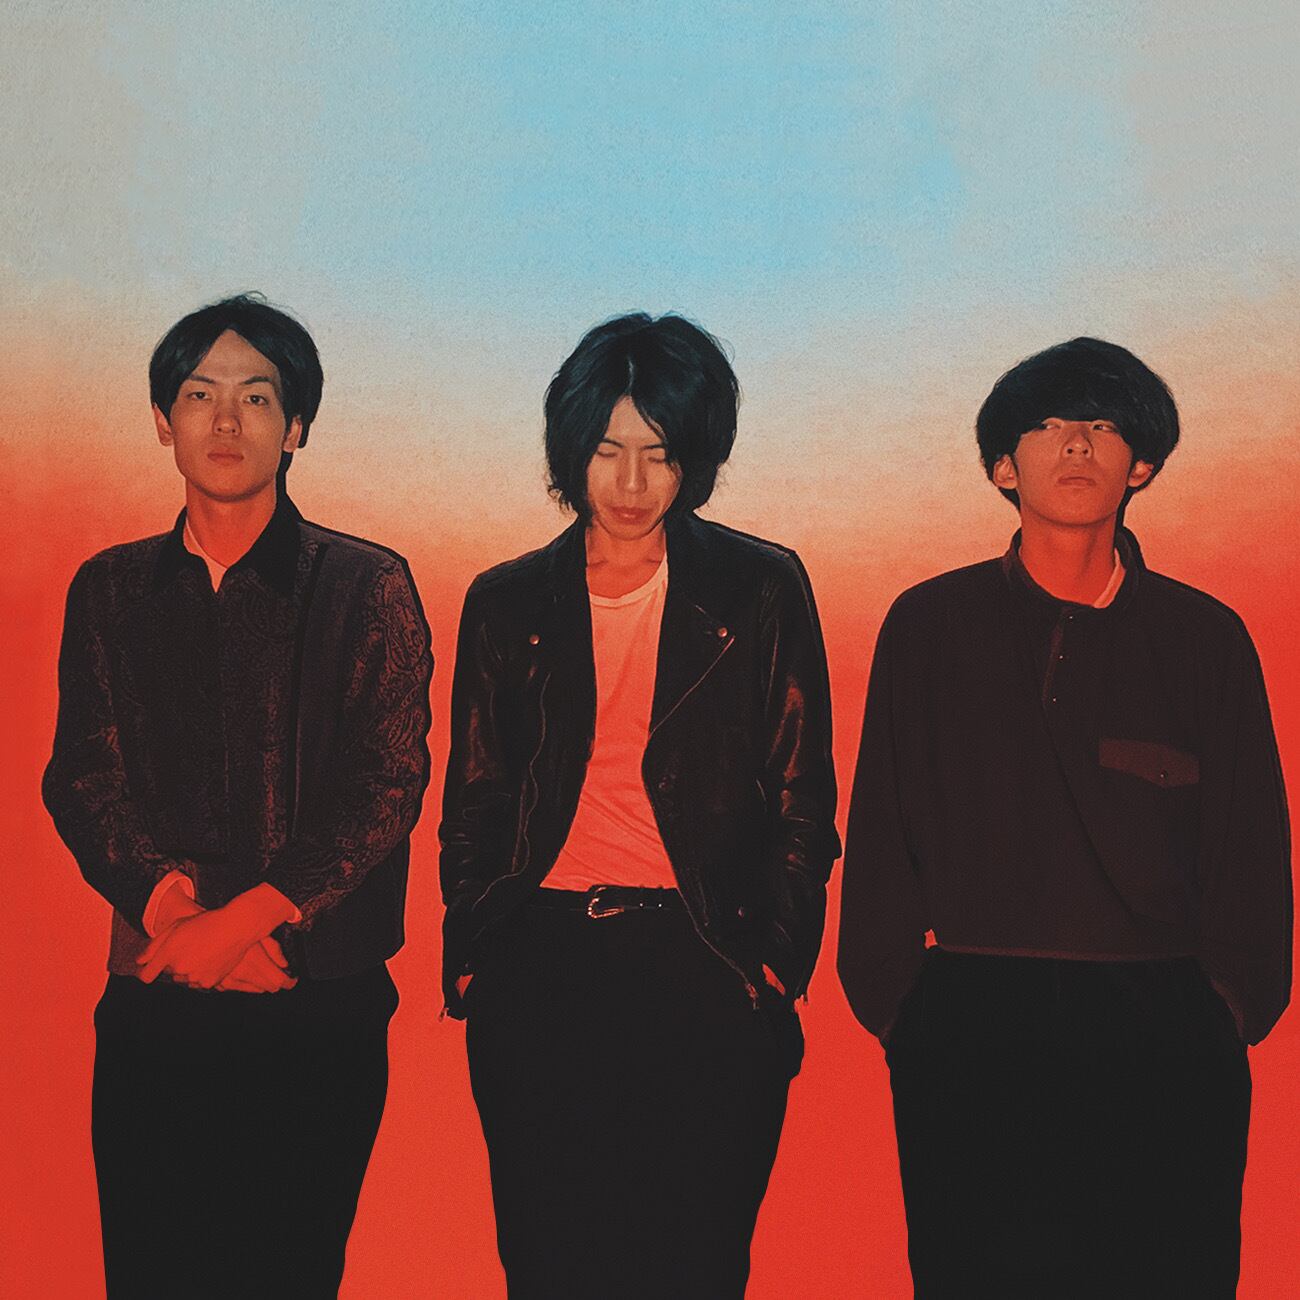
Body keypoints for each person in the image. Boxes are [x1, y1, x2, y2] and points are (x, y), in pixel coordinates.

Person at [837, 336, 1291, 1298]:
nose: (1077, 444)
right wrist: (907, 1010)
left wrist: (1226, 1008)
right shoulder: (928, 625)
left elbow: (1252, 845)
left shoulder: (1204, 638)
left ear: (1143, 464)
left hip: (1164, 1028)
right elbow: (878, 832)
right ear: (1004, 466)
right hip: (971, 1025)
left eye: (1103, 425)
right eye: (1046, 426)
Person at [440, 312, 839, 1298]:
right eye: (607, 450)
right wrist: (482, 949)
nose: (629, 482)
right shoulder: (506, 600)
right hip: (541, 961)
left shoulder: (758, 587)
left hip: (703, 954)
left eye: (658, 454)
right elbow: (476, 796)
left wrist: (775, 961)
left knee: (693, 1266)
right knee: (550, 1265)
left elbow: (803, 794)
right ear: (571, 448)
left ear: (694, 457)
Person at [42, 294, 433, 1299]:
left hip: (316, 1000)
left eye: (257, 397)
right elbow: (83, 775)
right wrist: (177, 918)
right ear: (162, 420)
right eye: (199, 395)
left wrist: (250, 920)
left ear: (296, 425)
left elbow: (386, 781)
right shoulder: (111, 589)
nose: (226, 420)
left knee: (286, 1275)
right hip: (157, 986)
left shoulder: (367, 585)